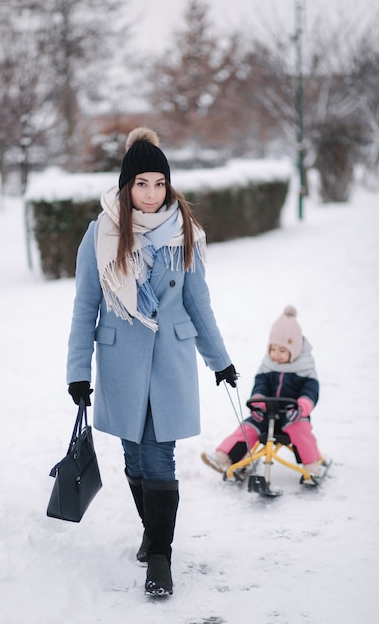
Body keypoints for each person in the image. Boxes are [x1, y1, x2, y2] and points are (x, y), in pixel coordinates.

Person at [66, 127, 237, 597]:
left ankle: (159, 557)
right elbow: (86, 307)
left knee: (160, 455)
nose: (151, 193)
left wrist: (219, 360)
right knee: (134, 456)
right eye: (141, 183)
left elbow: (198, 304)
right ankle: (152, 531)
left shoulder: (185, 233)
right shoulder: (101, 234)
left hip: (170, 361)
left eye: (159, 183)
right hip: (120, 361)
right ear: (127, 185)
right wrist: (78, 371)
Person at [202, 305, 327, 479]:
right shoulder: (267, 367)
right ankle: (225, 457)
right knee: (247, 428)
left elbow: (311, 391)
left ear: (295, 349)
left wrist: (301, 407)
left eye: (282, 351)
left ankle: (313, 466)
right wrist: (258, 404)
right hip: (266, 415)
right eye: (273, 349)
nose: (276, 355)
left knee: (302, 431)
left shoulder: (305, 370)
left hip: (293, 415)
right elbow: (260, 386)